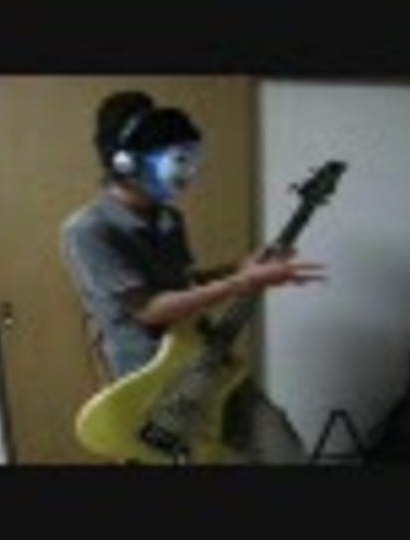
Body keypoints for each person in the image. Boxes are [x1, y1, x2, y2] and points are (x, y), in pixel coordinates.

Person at [60, 90, 325, 464]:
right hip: (149, 386)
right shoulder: (88, 230)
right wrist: (244, 282)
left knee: (280, 446)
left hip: (205, 359)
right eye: (172, 157)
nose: (186, 172)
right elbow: (150, 309)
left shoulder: (169, 218)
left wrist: (239, 267)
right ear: (124, 161)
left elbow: (181, 284)